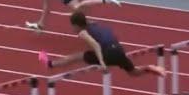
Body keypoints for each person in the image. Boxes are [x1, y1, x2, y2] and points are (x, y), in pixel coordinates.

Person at [38, 11, 166, 77]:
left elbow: (95, 45)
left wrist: (103, 63)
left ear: (77, 25)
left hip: (108, 53)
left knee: (76, 57)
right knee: (133, 72)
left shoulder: (83, 32)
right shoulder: (95, 25)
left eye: (73, 26)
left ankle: (50, 64)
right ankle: (149, 68)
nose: (73, 29)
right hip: (119, 50)